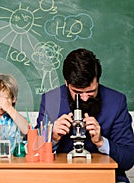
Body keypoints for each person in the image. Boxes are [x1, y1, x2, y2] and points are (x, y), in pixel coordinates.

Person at [36, 48, 134, 183]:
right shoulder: (51, 100)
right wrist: (51, 137)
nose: (84, 98)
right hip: (61, 178)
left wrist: (101, 142)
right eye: (77, 92)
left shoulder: (116, 102)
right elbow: (34, 152)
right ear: (66, 82)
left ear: (98, 81)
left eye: (90, 91)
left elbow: (128, 159)